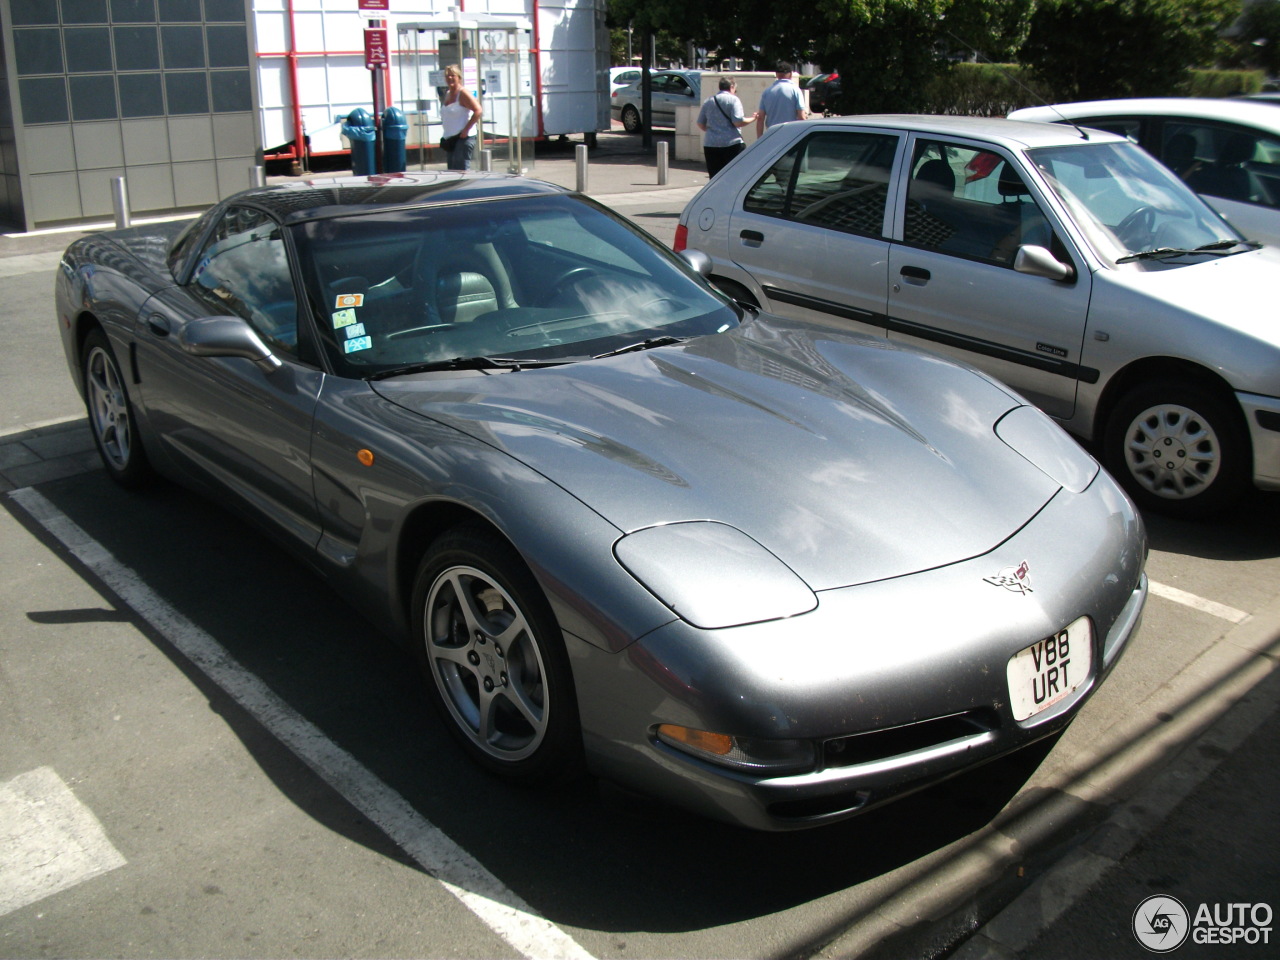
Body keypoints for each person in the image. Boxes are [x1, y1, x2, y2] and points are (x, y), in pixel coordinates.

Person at [696, 78, 756, 178]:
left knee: (715, 177)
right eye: (735, 90)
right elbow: (738, 122)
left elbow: (700, 123)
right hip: (731, 144)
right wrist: (753, 119)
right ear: (731, 87)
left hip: (711, 144)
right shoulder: (733, 100)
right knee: (736, 176)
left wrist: (713, 130)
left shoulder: (709, 101)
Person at [441, 64, 482, 171]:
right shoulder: (448, 93)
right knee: (452, 171)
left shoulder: (463, 93)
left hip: (463, 138)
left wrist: (466, 130)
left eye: (452, 75)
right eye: (447, 76)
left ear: (459, 77)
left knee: (461, 170)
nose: (449, 78)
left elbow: (478, 110)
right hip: (450, 138)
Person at [756, 61, 807, 138]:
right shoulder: (795, 90)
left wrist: (759, 139)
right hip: (791, 135)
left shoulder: (767, 92)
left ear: (776, 74)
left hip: (771, 134)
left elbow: (760, 118)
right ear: (791, 74)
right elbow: (801, 117)